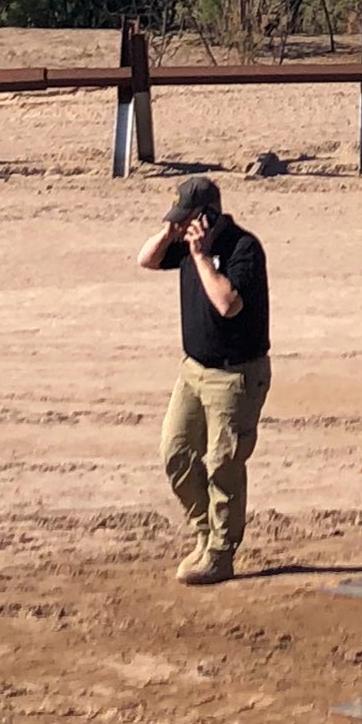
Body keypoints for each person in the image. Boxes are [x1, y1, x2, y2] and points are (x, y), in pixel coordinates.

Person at [135, 176, 271, 585]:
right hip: (193, 371)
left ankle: (220, 552)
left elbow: (228, 304)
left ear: (209, 216)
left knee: (223, 466)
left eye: (189, 219)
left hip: (235, 375)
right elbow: (146, 259)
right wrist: (170, 231)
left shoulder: (243, 248)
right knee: (175, 452)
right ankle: (203, 530)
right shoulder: (184, 243)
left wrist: (200, 255)